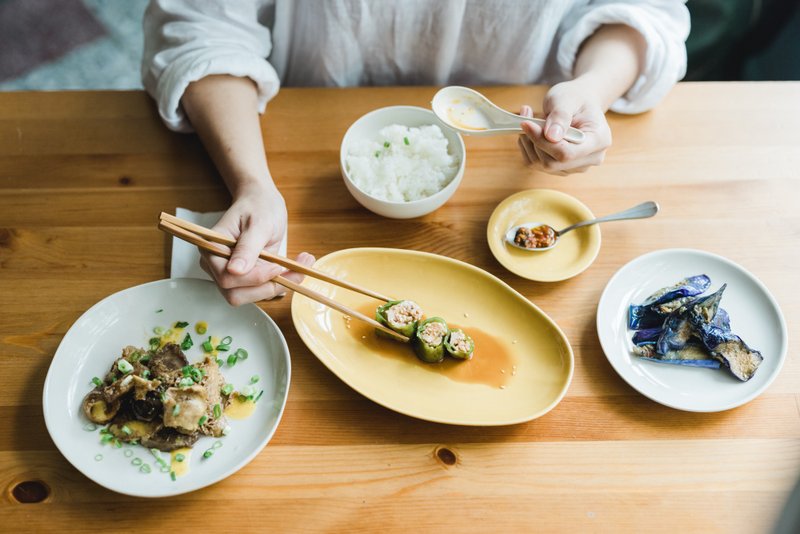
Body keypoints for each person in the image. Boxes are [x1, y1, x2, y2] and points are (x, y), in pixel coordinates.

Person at [142, 0, 690, 305]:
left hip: (517, 143)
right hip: (290, 117)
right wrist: (252, 183)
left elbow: (647, 13)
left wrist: (592, 90)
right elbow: (200, 23)